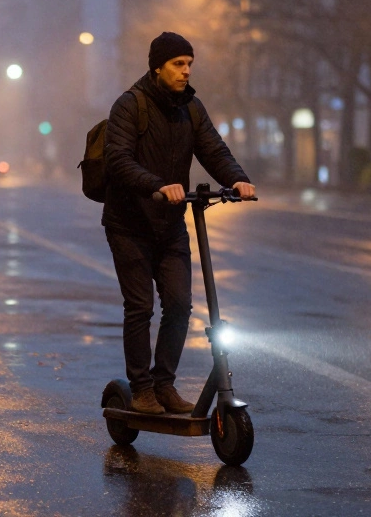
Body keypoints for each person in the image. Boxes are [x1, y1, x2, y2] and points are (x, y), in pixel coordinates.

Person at [102, 31, 256, 415]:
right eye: (178, 64)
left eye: (189, 64)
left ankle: (164, 384)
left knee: (180, 304)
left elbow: (213, 149)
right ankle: (141, 389)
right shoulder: (130, 105)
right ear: (157, 67)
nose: (186, 72)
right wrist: (156, 185)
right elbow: (118, 160)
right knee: (140, 308)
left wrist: (236, 178)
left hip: (170, 223)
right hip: (130, 223)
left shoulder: (191, 108)